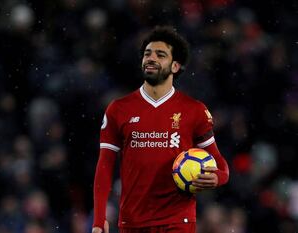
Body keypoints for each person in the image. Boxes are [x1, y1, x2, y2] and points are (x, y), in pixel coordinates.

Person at [92, 26, 229, 233]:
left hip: (177, 222)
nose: (151, 58)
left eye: (160, 54)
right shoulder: (118, 109)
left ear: (175, 66)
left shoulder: (194, 110)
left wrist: (218, 177)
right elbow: (104, 167)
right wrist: (99, 220)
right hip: (132, 222)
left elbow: (220, 163)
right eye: (147, 54)